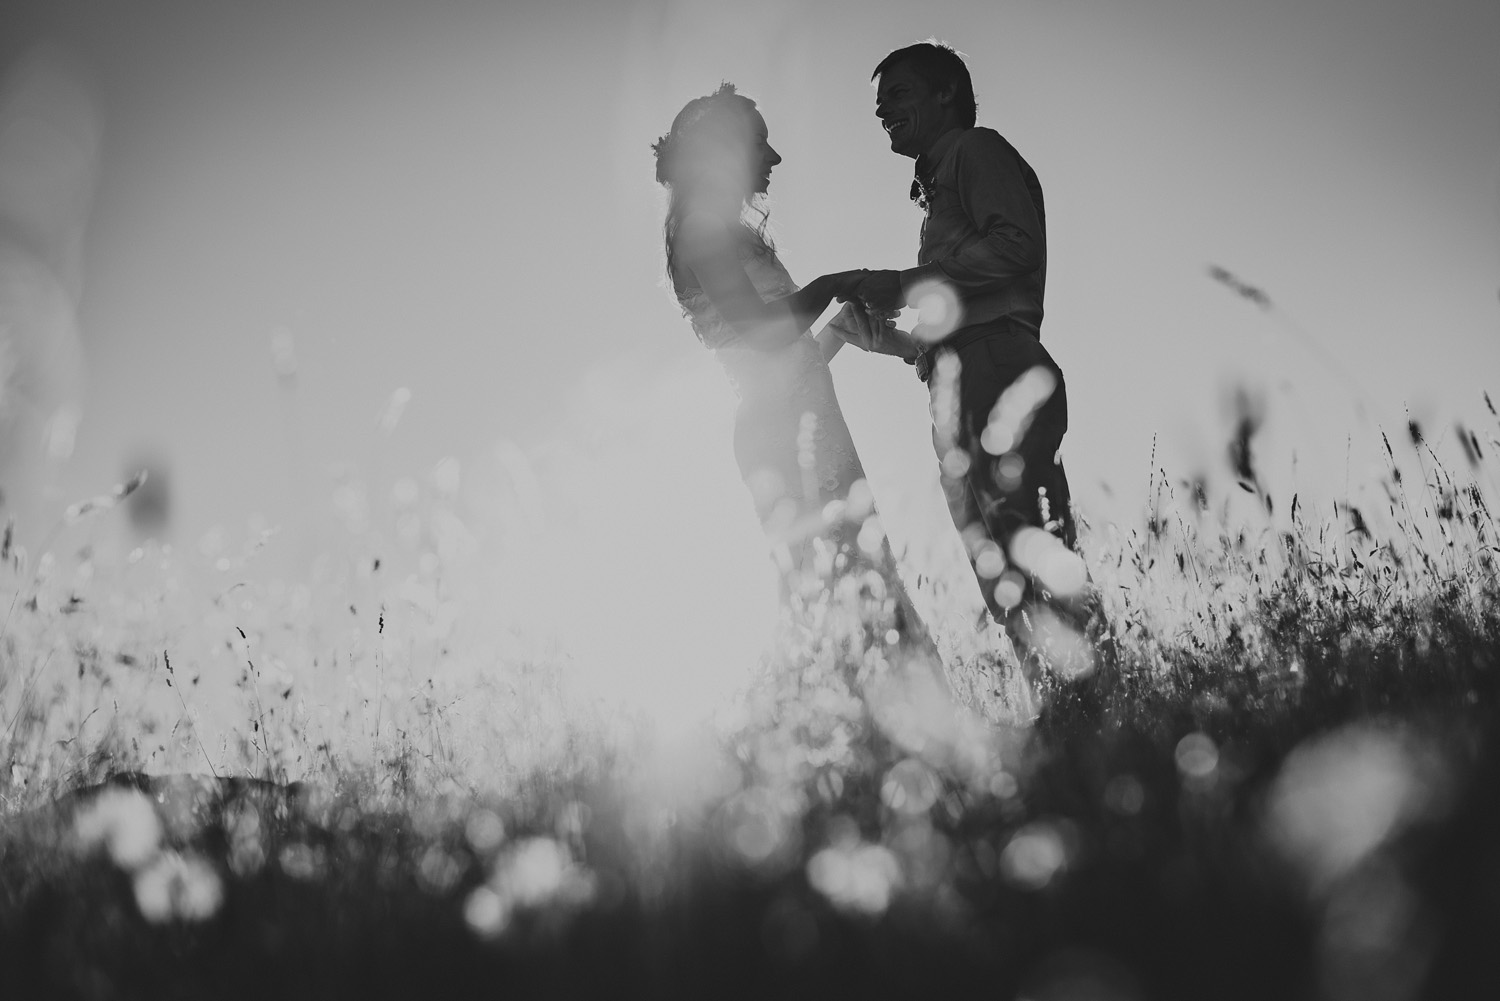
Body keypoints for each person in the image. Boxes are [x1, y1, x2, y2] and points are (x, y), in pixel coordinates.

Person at [654, 83, 946, 691]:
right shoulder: (702, 227)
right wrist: (837, 281)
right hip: (778, 432)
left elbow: (788, 355)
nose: (774, 158)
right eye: (761, 143)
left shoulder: (718, 228)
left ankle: (888, 726)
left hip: (800, 420)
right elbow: (761, 333)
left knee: (856, 576)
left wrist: (849, 328)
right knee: (828, 586)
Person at [833, 42, 1097, 680]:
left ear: (947, 91)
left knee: (1025, 542)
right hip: (962, 374)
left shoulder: (975, 151)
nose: (881, 112)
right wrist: (870, 331)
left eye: (897, 94)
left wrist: (904, 282)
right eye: (879, 104)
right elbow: (951, 308)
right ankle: (1060, 699)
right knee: (996, 561)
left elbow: (1015, 246)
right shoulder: (941, 179)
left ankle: (1092, 692)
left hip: (995, 367)